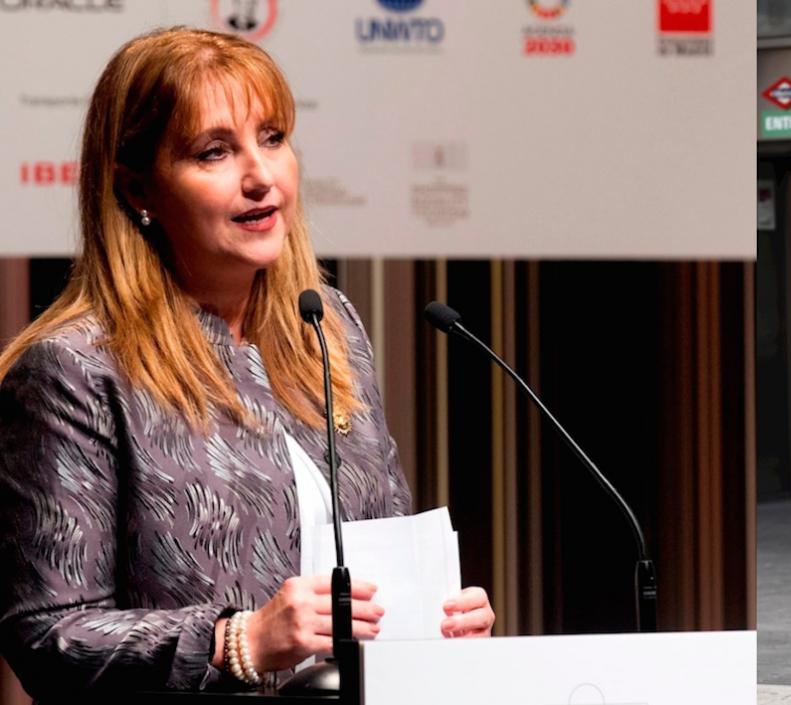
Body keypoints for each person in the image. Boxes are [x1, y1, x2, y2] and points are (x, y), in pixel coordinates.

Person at [0, 27, 493, 701]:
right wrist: (240, 640)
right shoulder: (75, 368)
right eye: (215, 152)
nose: (261, 177)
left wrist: (435, 623)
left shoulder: (329, 328)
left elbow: (376, 565)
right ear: (138, 189)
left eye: (272, 138)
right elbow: (48, 634)